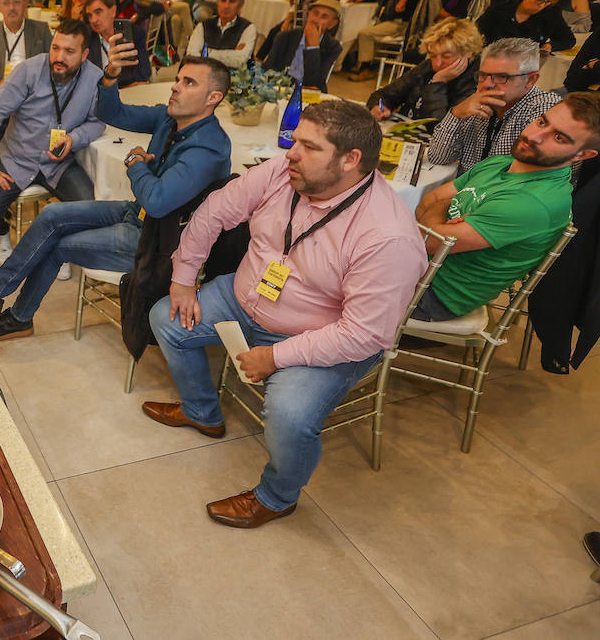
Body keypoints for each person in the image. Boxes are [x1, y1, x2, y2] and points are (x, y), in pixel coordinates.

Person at [143, 101, 425, 529]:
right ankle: (203, 412)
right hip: (245, 299)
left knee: (289, 416)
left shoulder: (387, 236)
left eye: (308, 147)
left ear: (351, 161)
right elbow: (216, 209)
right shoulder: (285, 172)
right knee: (167, 317)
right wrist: (183, 277)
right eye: (295, 141)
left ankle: (277, 497)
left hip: (321, 337)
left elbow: (365, 336)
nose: (291, 153)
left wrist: (274, 358)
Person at [0, 53, 232, 341]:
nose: (175, 86)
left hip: (158, 244)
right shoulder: (170, 119)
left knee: (59, 245)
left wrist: (137, 166)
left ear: (213, 97)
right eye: (177, 79)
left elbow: (157, 201)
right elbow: (112, 113)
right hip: (137, 215)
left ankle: (18, 318)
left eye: (189, 82)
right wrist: (110, 76)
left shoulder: (207, 149)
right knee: (50, 215)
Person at [412, 93, 600, 321]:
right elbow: (427, 202)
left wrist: (440, 214)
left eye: (558, 137)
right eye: (543, 122)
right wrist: (439, 219)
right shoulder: (506, 162)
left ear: (583, 155)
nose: (535, 136)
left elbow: (429, 242)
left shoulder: (533, 203)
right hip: (417, 268)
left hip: (432, 294)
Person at [0, 20, 104, 262]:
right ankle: (0, 233)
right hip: (17, 160)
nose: (59, 57)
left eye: (69, 51)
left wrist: (74, 139)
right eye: (55, 48)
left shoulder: (95, 78)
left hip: (59, 163)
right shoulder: (28, 70)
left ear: (85, 54)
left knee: (91, 208)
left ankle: (60, 248)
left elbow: (98, 122)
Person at [426, 37, 561, 173]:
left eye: (502, 77)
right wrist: (456, 114)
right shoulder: (478, 102)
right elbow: (438, 158)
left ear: (530, 80)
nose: (486, 84)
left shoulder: (545, 111)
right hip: (467, 189)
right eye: (483, 76)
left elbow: (524, 180)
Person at [368, 17, 482, 123]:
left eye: (446, 56)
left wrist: (437, 83)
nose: (437, 63)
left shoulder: (476, 81)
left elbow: (441, 128)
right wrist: (379, 106)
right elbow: (384, 95)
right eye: (432, 55)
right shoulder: (427, 67)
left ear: (468, 54)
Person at [346, 0, 434, 80]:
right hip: (388, 19)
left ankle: (366, 69)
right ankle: (365, 63)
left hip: (402, 24)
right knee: (359, 29)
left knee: (365, 34)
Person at [262, 0, 343, 92]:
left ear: (332, 24)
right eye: (315, 13)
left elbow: (315, 83)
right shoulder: (285, 37)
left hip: (310, 94)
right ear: (308, 14)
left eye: (324, 17)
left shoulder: (333, 47)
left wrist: (313, 48)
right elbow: (268, 70)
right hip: (280, 88)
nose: (316, 20)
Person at [476, 0, 572, 53]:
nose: (542, 5)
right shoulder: (499, 11)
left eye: (548, 2)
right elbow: (477, 35)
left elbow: (568, 39)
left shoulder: (550, 13)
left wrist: (550, 45)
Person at [84, 0, 150, 87]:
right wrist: (118, 85)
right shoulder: (87, 36)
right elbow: (86, 79)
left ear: (113, 11)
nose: (93, 20)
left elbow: (144, 72)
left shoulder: (134, 34)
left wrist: (108, 83)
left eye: (98, 12)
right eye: (90, 15)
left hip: (128, 95)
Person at [187, 0, 255, 68]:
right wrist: (232, 53)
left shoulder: (248, 28)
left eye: (232, 1)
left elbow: (240, 61)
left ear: (241, 5)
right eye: (223, 0)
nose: (226, 6)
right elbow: (192, 56)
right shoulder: (203, 26)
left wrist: (206, 52)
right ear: (217, 2)